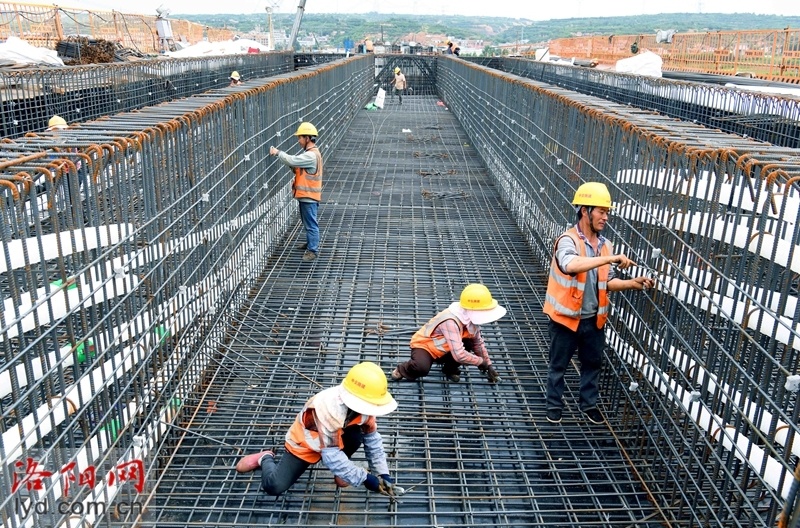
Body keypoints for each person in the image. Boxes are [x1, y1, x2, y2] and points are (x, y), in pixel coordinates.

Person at [544, 182, 655, 425]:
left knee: (593, 363)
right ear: (585, 211)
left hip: (594, 319)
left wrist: (632, 283)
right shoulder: (568, 240)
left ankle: (589, 404)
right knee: (558, 365)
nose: (605, 217)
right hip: (566, 318)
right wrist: (609, 257)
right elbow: (570, 265)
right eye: (601, 211)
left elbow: (607, 281)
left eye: (607, 212)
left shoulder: (606, 245)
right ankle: (554, 405)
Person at [235, 362, 398, 498]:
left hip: (335, 440)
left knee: (357, 435)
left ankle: (344, 471)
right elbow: (331, 456)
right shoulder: (328, 408)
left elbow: (372, 440)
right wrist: (364, 478)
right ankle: (264, 457)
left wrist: (382, 473)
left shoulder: (366, 407)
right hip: (306, 444)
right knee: (274, 486)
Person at [392, 284, 505, 383]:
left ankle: (449, 369)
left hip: (445, 348)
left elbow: (478, 344)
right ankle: (402, 370)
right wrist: (481, 362)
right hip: (425, 347)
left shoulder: (471, 320)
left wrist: (488, 364)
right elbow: (459, 355)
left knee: (469, 343)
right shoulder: (450, 321)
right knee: (421, 368)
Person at [269, 122, 322, 262]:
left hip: (309, 196)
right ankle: (311, 243)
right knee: (307, 222)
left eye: (300, 138)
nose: (298, 140)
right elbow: (296, 166)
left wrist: (277, 153)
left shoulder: (311, 156)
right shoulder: (310, 154)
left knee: (311, 224)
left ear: (308, 138)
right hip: (306, 196)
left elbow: (292, 160)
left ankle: (313, 250)